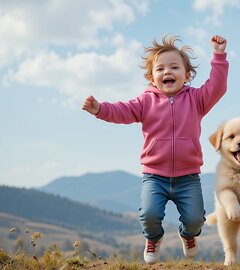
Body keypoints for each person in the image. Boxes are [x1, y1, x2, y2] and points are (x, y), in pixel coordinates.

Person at [82, 34, 228, 264]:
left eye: (174, 67)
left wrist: (219, 56)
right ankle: (153, 237)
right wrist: (100, 109)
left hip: (188, 177)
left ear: (187, 75)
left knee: (195, 220)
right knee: (149, 215)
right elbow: (121, 111)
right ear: (152, 78)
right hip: (155, 176)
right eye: (160, 69)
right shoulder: (145, 102)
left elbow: (217, 86)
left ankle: (187, 235)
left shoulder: (196, 100)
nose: (167, 72)